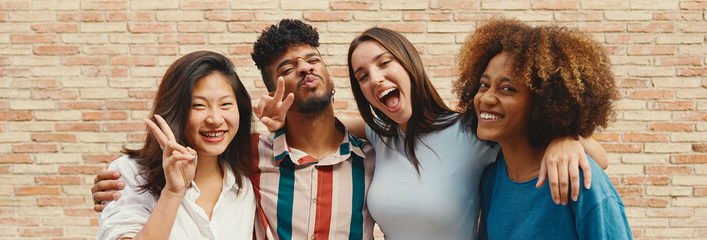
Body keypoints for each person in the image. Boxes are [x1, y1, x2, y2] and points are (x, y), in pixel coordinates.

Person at [93, 19, 377, 240]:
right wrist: (165, 190)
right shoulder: (252, 156)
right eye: (287, 67)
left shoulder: (376, 155)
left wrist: (378, 130)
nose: (304, 68)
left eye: (313, 59)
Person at [344, 27, 610, 240]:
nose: (375, 78)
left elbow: (600, 159)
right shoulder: (379, 136)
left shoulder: (470, 132)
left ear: (409, 64)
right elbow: (324, 125)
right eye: (362, 76)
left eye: (384, 63)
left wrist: (566, 138)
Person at [453, 19, 631, 239]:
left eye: (507, 89)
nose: (486, 98)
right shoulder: (492, 178)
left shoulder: (581, 181)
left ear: (545, 103)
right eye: (484, 85)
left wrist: (573, 138)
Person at [96, 51, 256, 239]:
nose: (215, 119)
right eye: (198, 105)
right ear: (175, 111)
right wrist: (173, 192)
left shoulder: (243, 186)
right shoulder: (130, 173)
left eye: (226, 104)